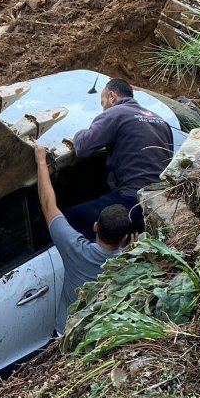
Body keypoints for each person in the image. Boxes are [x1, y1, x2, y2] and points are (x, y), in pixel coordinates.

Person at [33, 143, 128, 334]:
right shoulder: (129, 264)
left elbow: (48, 204)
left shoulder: (75, 249)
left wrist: (41, 162)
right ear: (124, 237)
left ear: (95, 227)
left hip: (65, 333)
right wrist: (129, 251)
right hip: (95, 338)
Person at [64, 78, 173, 240]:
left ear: (112, 97)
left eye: (102, 103)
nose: (103, 109)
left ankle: (99, 257)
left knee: (69, 217)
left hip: (133, 199)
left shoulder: (115, 113)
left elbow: (83, 148)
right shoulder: (159, 120)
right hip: (161, 200)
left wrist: (78, 133)